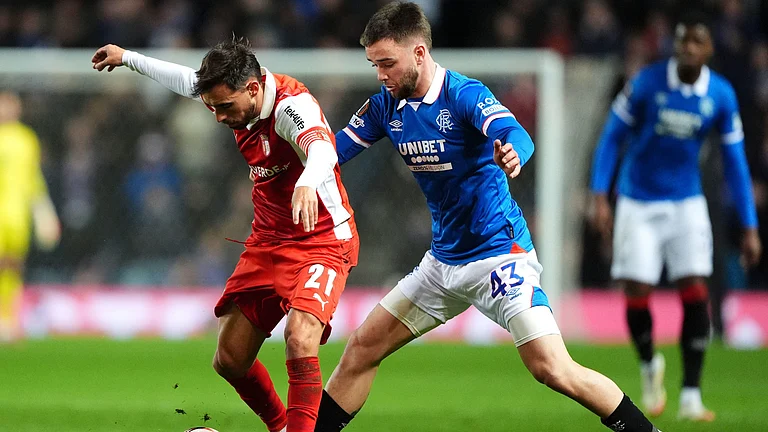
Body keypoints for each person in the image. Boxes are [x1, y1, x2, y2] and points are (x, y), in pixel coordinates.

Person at [314, 3, 660, 432]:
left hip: (500, 257)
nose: (381, 75)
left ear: (419, 53)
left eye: (387, 63)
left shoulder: (464, 94)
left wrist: (514, 151)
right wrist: (296, 160)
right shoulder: (387, 105)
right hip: (442, 265)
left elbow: (515, 133)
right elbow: (333, 150)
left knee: (552, 368)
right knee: (362, 348)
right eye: (374, 65)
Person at [92, 37, 359, 432]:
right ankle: (282, 425)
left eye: (224, 107)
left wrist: (307, 180)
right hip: (268, 241)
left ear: (253, 89)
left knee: (300, 339)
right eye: (212, 106)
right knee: (230, 360)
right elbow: (187, 80)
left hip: (320, 240)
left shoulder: (290, 106)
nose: (218, 116)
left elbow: (322, 148)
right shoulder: (227, 93)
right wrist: (127, 58)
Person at [589, 12, 762, 421]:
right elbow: (612, 135)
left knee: (694, 287)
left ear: (708, 50)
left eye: (694, 42)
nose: (685, 47)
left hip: (687, 201)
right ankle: (650, 366)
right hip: (638, 200)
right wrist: (601, 195)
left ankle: (690, 396)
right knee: (636, 289)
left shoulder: (720, 95)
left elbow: (736, 162)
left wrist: (750, 224)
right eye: (681, 40)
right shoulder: (646, 83)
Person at [0, 91, 60, 342]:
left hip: (17, 215)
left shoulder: (27, 139)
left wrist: (45, 214)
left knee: (13, 266)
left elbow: (34, 180)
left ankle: (7, 319)